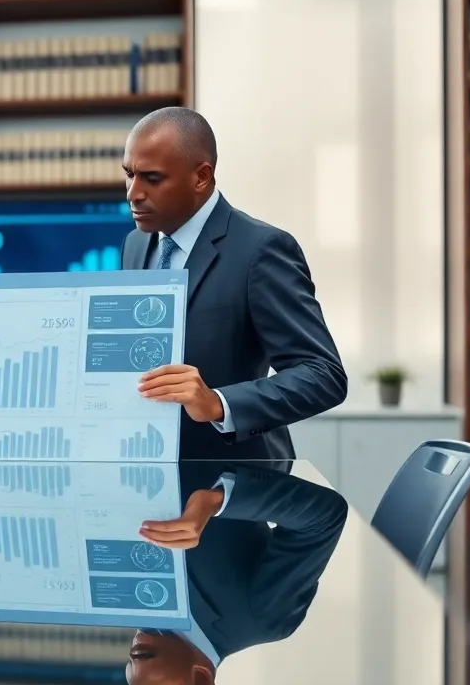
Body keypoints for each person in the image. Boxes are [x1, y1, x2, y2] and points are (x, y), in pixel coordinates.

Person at [121, 107, 347, 460]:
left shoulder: (261, 250)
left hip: (234, 484)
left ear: (201, 177)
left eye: (152, 178)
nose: (133, 193)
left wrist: (217, 403)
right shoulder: (135, 245)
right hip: (146, 474)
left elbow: (323, 375)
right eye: (129, 174)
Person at [126, 460, 348, 682]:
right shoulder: (261, 619)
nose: (133, 676)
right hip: (209, 435)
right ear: (199, 679)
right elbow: (323, 518)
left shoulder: (121, 601)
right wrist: (220, 501)